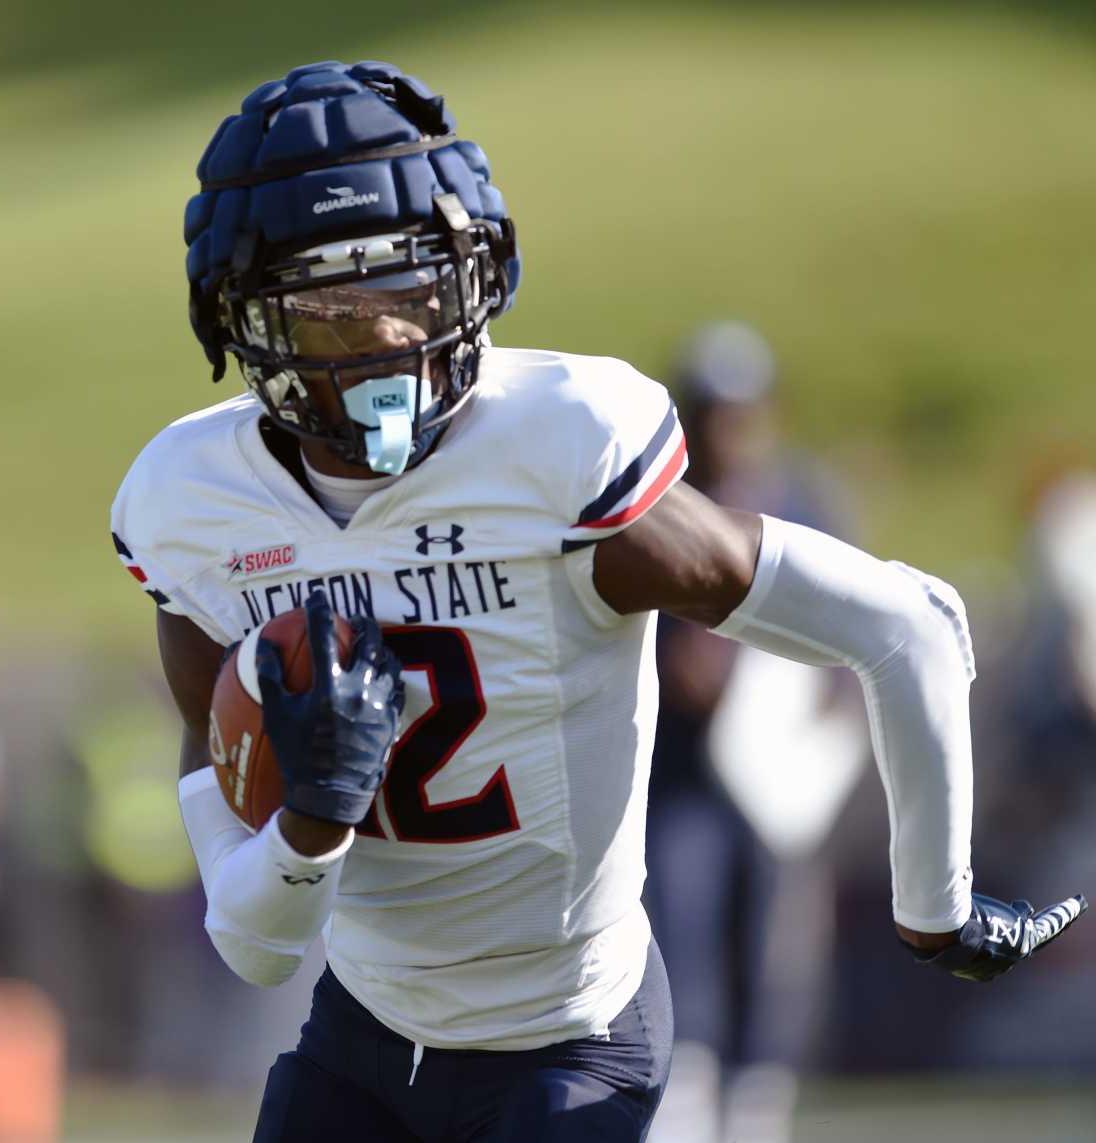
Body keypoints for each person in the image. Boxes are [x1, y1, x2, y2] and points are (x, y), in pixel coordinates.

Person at [110, 61, 1086, 1142]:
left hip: (568, 1037)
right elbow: (256, 945)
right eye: (340, 313)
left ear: (477, 268)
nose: (392, 339)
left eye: (415, 289)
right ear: (246, 325)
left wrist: (935, 908)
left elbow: (903, 626)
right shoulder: (195, 510)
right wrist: (315, 816)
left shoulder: (561, 451)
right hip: (365, 1031)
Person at [645, 324, 865, 1143]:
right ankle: (688, 1092)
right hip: (681, 775)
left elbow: (856, 627)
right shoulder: (660, 502)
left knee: (768, 941)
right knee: (679, 926)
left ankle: (756, 1100)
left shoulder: (801, 501)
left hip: (776, 782)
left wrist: (824, 733)